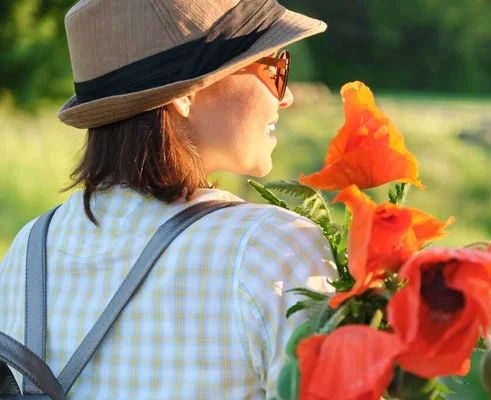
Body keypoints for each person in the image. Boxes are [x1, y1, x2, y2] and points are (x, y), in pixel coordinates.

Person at [0, 0, 336, 398]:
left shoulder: (28, 249)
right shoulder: (272, 246)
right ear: (185, 96)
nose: (286, 98)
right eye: (273, 69)